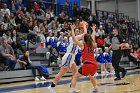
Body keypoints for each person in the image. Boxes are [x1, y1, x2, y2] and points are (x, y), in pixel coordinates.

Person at [48, 23, 87, 93]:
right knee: (62, 73)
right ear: (74, 32)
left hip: (71, 57)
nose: (77, 32)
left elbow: (85, 36)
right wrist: (84, 26)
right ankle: (51, 86)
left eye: (78, 31)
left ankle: (72, 88)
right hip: (69, 56)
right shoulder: (72, 38)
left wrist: (84, 29)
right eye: (76, 31)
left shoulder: (77, 39)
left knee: (75, 72)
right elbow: (84, 34)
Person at [68, 23, 98, 93]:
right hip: (94, 65)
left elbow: (73, 39)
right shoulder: (92, 44)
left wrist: (72, 29)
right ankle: (95, 88)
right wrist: (93, 30)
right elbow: (93, 37)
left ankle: (72, 89)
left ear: (84, 39)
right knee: (91, 76)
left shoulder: (83, 45)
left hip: (87, 64)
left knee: (75, 76)